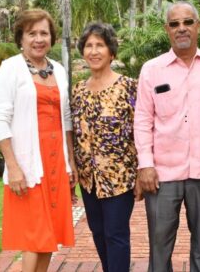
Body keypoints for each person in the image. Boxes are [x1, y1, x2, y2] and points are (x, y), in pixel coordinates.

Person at [133, 1, 200, 272]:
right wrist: (146, 165)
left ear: (198, 26)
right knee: (159, 247)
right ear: (167, 30)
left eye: (188, 22)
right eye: (175, 24)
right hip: (162, 174)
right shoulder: (152, 70)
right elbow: (142, 119)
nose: (182, 28)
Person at [0, 9, 75, 272]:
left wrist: (70, 164)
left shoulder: (59, 70)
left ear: (51, 37)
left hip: (56, 164)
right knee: (34, 235)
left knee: (48, 238)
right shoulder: (10, 69)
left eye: (44, 33)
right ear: (21, 38)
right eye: (32, 33)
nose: (38, 39)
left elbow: (67, 120)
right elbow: (0, 120)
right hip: (29, 165)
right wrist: (13, 166)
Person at [70, 22, 137, 272]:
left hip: (119, 177)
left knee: (116, 235)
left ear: (111, 52)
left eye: (100, 45)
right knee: (98, 232)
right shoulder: (78, 91)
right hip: (88, 178)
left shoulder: (128, 87)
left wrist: (142, 172)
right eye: (89, 46)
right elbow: (74, 133)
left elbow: (141, 131)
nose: (94, 51)